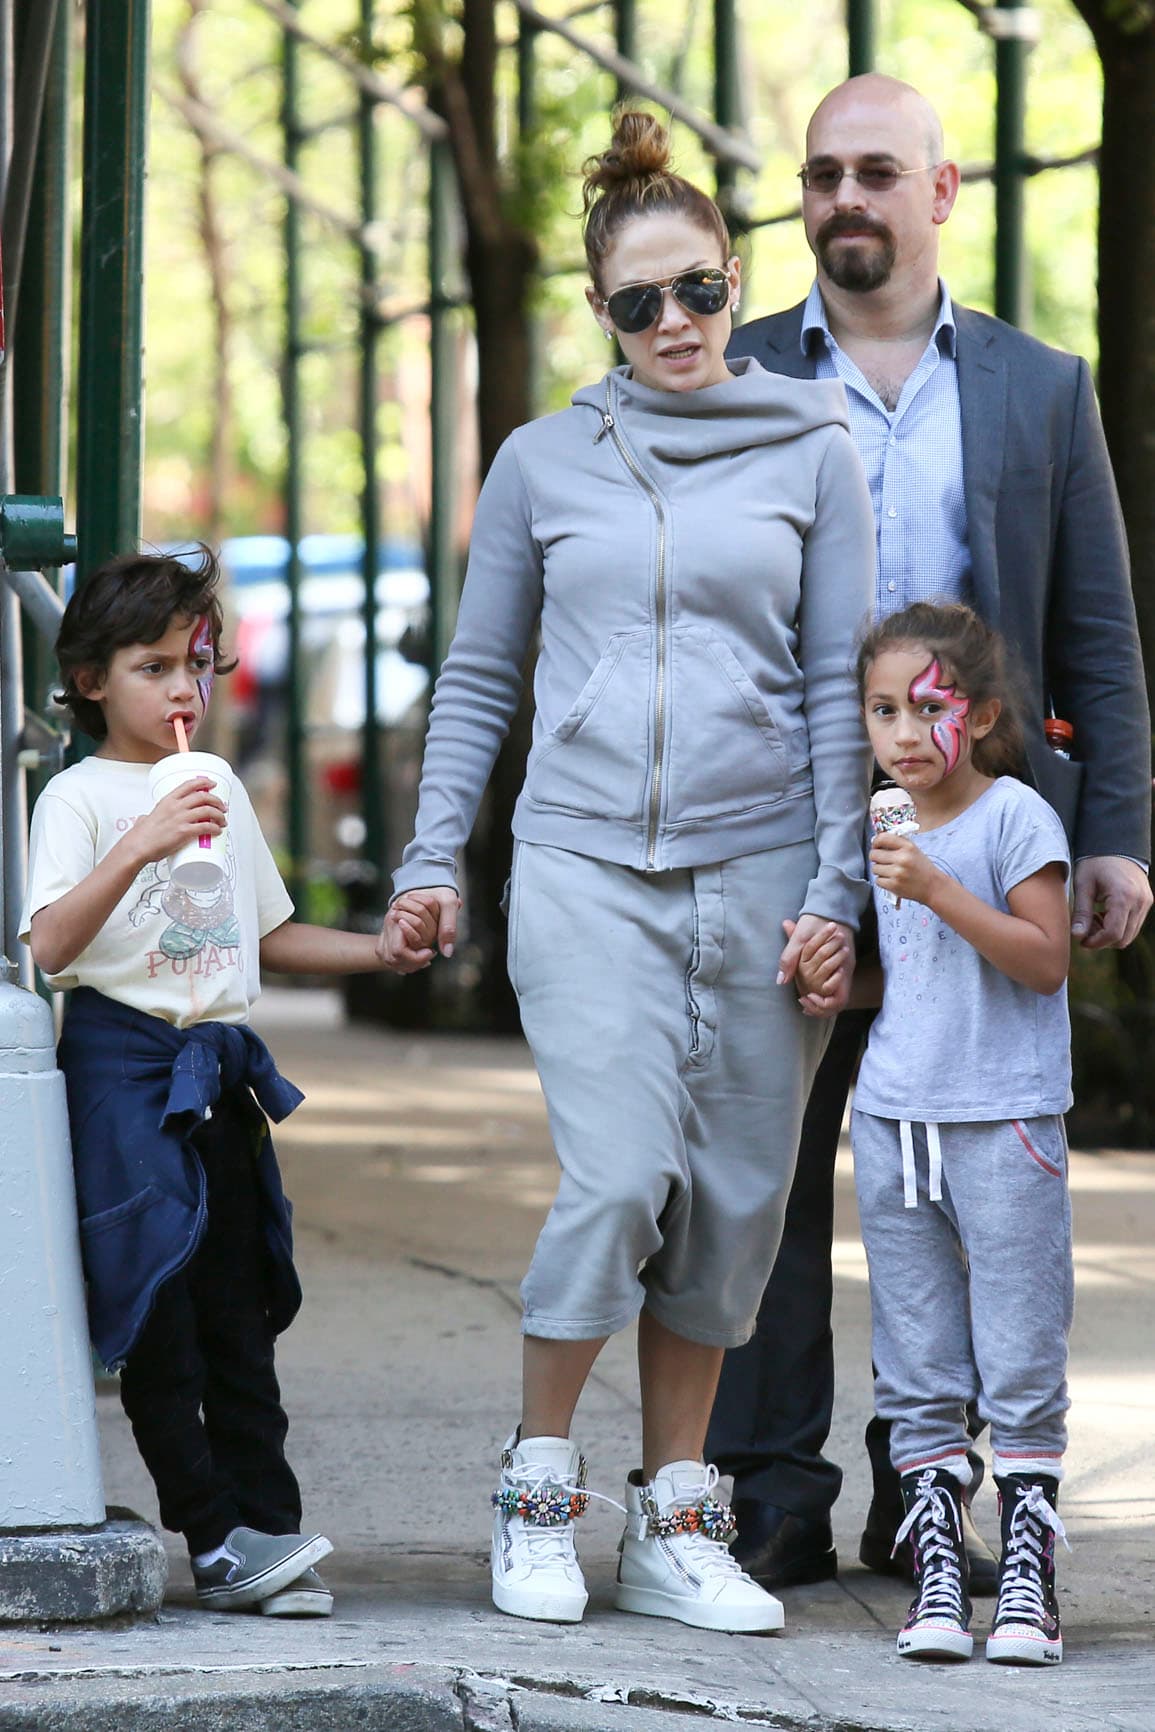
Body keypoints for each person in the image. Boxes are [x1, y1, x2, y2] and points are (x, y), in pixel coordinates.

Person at [380, 110, 875, 1634]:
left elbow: (834, 690)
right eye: (638, 301)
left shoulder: (813, 447)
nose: (673, 322)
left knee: (729, 1209)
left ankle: (672, 1525)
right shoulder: (542, 461)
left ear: (735, 283)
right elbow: (479, 675)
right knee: (616, 1179)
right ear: (600, 309)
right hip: (582, 862)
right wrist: (430, 856)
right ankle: (536, 1494)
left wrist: (835, 894)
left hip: (761, 868)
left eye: (697, 291)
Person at [708, 73, 1152, 1595]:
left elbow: (1096, 632)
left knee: (958, 1186)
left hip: (974, 845)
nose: (844, 197)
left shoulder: (1039, 389)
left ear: (942, 191)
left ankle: (928, 1487)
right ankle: (770, 1493)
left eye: (876, 171)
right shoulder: (736, 370)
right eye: (821, 172)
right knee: (769, 1178)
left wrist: (1114, 836)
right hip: (779, 838)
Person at [20, 548, 436, 1617]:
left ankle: (270, 1529)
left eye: (197, 666)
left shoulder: (219, 787)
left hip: (219, 1069)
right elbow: (51, 946)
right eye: (154, 667)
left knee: (239, 1311)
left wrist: (380, 951)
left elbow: (267, 934)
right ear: (90, 680)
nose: (182, 691)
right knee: (160, 1313)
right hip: (122, 1071)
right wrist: (142, 842)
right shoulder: (76, 798)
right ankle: (212, 1539)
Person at [852, 600, 1072, 1666]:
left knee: (1020, 1352)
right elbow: (914, 971)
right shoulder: (884, 819)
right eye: (881, 710)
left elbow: (1044, 959)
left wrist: (937, 886)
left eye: (926, 708)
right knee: (915, 1357)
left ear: (980, 715)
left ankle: (1029, 1576)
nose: (902, 733)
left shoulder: (1014, 817)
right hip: (896, 1117)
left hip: (1004, 1118)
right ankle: (936, 1564)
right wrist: (834, 976)